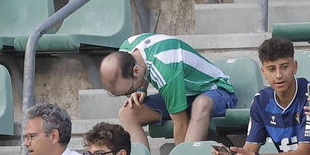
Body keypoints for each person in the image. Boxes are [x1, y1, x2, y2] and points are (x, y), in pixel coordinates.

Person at [100, 33, 238, 145]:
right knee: (127, 113)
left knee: (200, 104)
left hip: (214, 90)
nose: (130, 95)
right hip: (183, 92)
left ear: (136, 71)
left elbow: (181, 124)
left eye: (130, 90)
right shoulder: (127, 51)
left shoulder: (166, 70)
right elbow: (143, 65)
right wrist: (141, 90)